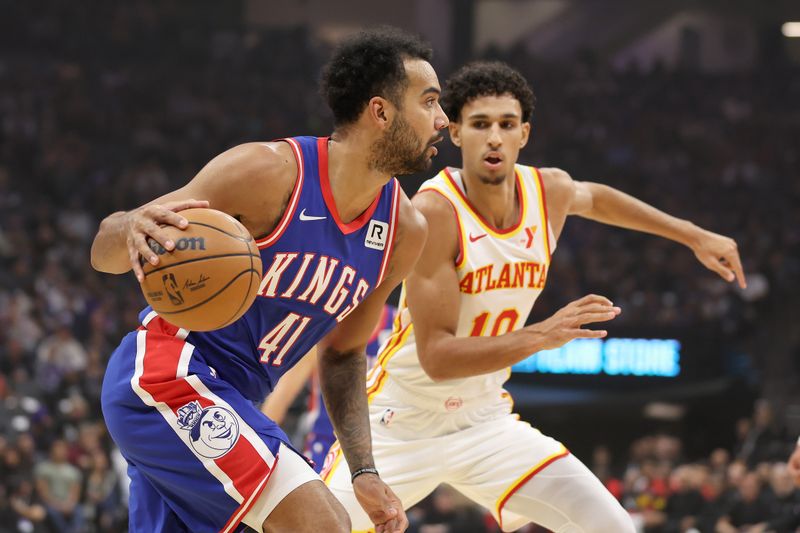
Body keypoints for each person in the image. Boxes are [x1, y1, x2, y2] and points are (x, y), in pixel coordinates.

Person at [323, 61, 746, 532]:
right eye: (481, 125)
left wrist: (692, 236)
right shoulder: (435, 211)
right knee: (315, 526)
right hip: (400, 423)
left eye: (507, 124)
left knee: (614, 527)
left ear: (524, 133)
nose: (495, 138)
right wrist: (542, 335)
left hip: (486, 421)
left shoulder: (549, 191)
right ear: (457, 133)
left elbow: (597, 198)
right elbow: (438, 357)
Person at [92, 27, 448, 533]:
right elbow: (104, 252)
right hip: (168, 373)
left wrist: (364, 470)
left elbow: (344, 354)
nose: (442, 120)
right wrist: (132, 225)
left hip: (234, 399)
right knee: (322, 524)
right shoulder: (268, 172)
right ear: (381, 111)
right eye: (430, 102)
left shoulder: (403, 231)